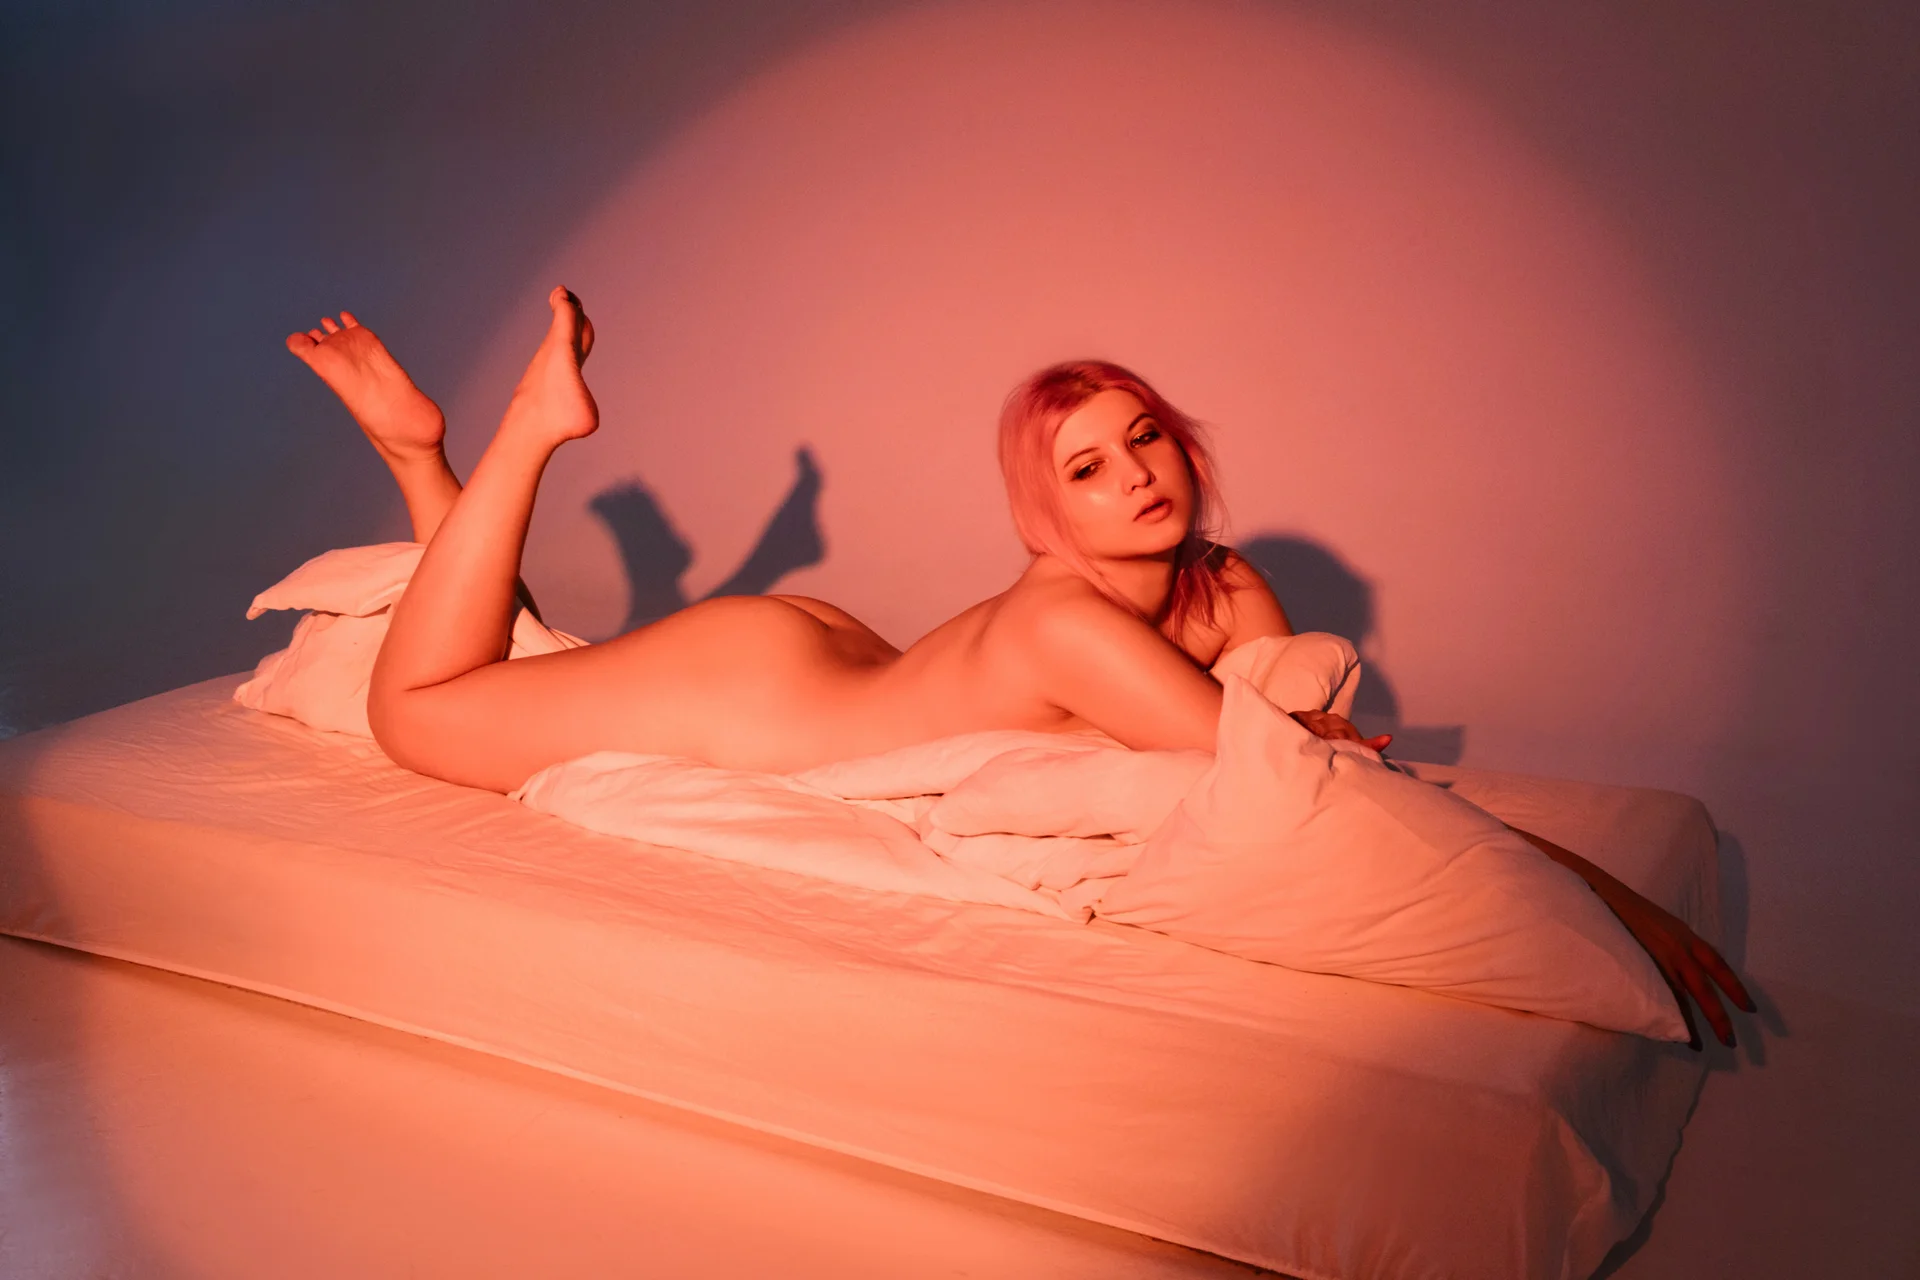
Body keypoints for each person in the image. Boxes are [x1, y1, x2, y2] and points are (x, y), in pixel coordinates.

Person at [287, 286, 1753, 1048]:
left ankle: (422, 464)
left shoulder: (1225, 589)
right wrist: (1603, 895)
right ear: (1043, 515)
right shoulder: (1072, 624)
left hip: (824, 658)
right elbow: (1321, 783)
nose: (1137, 476)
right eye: (1086, 467)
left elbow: (1301, 764)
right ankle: (509, 433)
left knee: (512, 671)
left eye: (1146, 439)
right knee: (420, 714)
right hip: (760, 699)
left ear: (1186, 447)